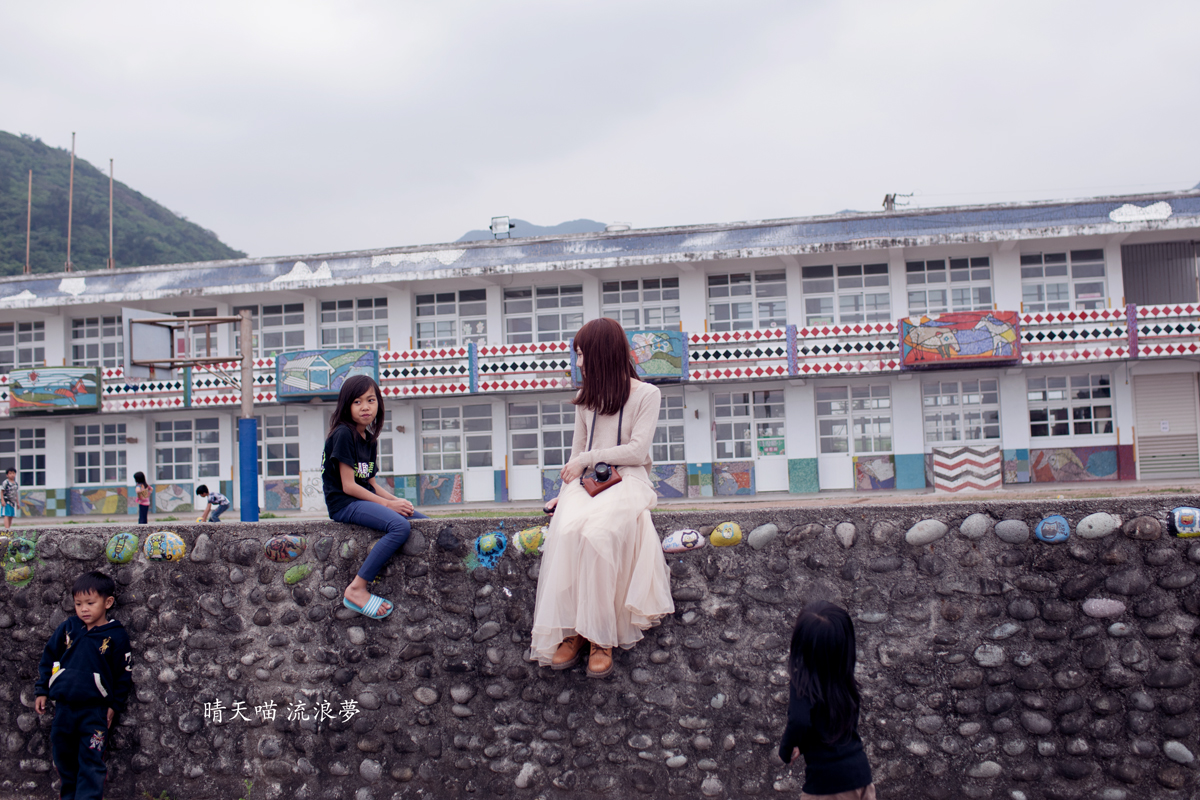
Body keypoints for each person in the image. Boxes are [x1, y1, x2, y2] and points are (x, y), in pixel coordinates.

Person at [530, 317, 674, 679]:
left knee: (599, 534)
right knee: (566, 532)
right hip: (590, 484)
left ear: (601, 354)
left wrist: (588, 459)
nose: (578, 362)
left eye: (582, 354)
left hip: (629, 480)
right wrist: (565, 494)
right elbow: (577, 457)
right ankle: (575, 630)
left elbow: (638, 451)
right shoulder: (586, 402)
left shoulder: (647, 395)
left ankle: (599, 637)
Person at [323, 374, 427, 620]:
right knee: (399, 526)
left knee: (422, 521)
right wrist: (389, 505)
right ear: (346, 406)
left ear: (378, 403)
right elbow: (349, 486)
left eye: (370, 400)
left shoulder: (368, 439)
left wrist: (397, 501)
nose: (365, 407)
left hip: (362, 499)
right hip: (344, 504)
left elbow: (370, 484)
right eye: (357, 402)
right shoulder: (343, 434)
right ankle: (357, 588)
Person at [35, 570, 133, 800]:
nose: (84, 609)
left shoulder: (116, 637)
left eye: (90, 603)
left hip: (94, 712)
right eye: (78, 604)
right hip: (64, 709)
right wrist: (42, 690)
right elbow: (48, 659)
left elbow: (123, 675)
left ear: (107, 602)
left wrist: (114, 706)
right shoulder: (68, 628)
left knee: (91, 763)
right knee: (64, 761)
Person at [778, 601, 875, 800]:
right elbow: (831, 727)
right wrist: (803, 746)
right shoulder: (845, 681)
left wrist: (786, 750)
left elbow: (799, 720)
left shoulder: (801, 683)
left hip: (828, 785)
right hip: (861, 777)